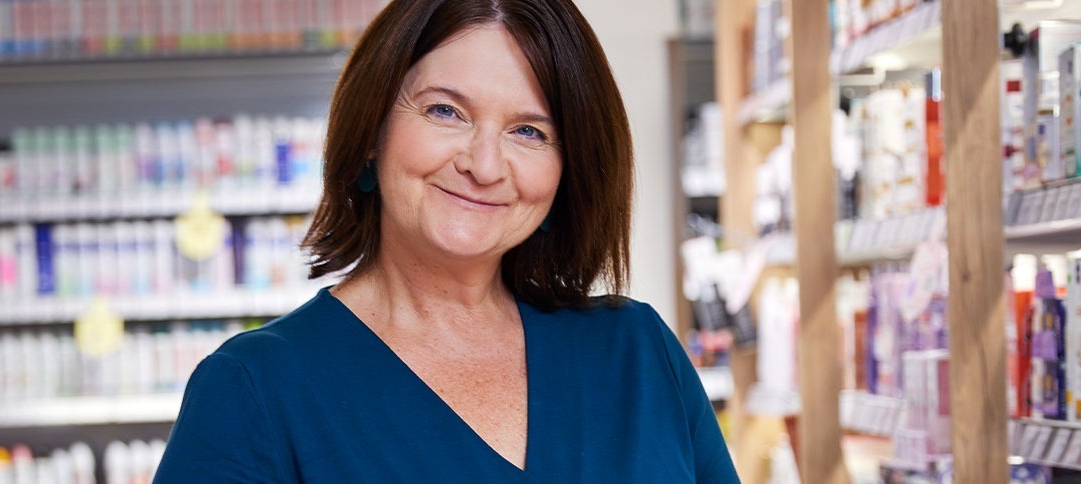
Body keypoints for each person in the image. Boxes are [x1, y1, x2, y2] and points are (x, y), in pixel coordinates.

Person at [153, 0, 739, 482]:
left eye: (529, 131)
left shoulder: (639, 355)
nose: (484, 165)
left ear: (569, 170)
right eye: (445, 111)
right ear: (372, 132)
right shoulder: (253, 390)